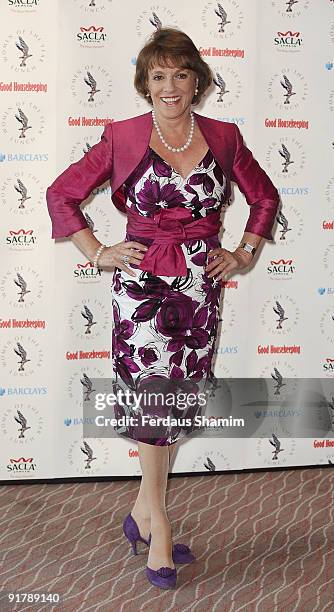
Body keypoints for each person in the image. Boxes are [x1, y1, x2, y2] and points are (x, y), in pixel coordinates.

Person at [46, 27, 279, 589]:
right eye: (158, 76)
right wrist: (99, 251)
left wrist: (244, 252)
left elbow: (264, 197)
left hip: (200, 291)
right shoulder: (124, 136)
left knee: (175, 406)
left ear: (197, 81)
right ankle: (161, 525)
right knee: (156, 408)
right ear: (144, 83)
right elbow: (62, 194)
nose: (169, 86)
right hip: (142, 290)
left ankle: (141, 514)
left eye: (180, 74)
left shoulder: (224, 137)